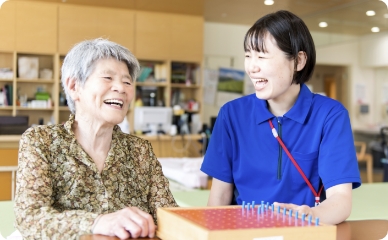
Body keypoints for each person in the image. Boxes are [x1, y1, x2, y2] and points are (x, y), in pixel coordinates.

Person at [200, 10, 361, 225]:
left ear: (299, 60)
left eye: (262, 56)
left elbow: (340, 199)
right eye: (248, 55)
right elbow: (219, 197)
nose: (251, 67)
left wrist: (308, 216)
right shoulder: (231, 114)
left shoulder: (331, 116)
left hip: (305, 232)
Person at [14, 38, 177, 239]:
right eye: (108, 78)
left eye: (127, 81)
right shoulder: (41, 141)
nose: (121, 88)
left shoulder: (140, 150)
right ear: (74, 86)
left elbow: (169, 215)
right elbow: (29, 217)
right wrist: (98, 222)